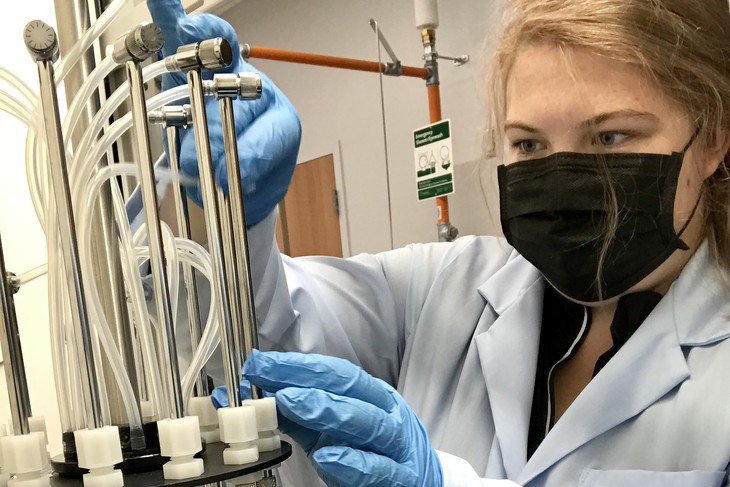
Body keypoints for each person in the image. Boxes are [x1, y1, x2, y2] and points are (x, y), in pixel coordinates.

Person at [146, 0, 730, 485]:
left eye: (610, 136)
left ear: (712, 140)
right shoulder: (444, 287)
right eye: (527, 145)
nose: (562, 174)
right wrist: (229, 221)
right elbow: (263, 337)